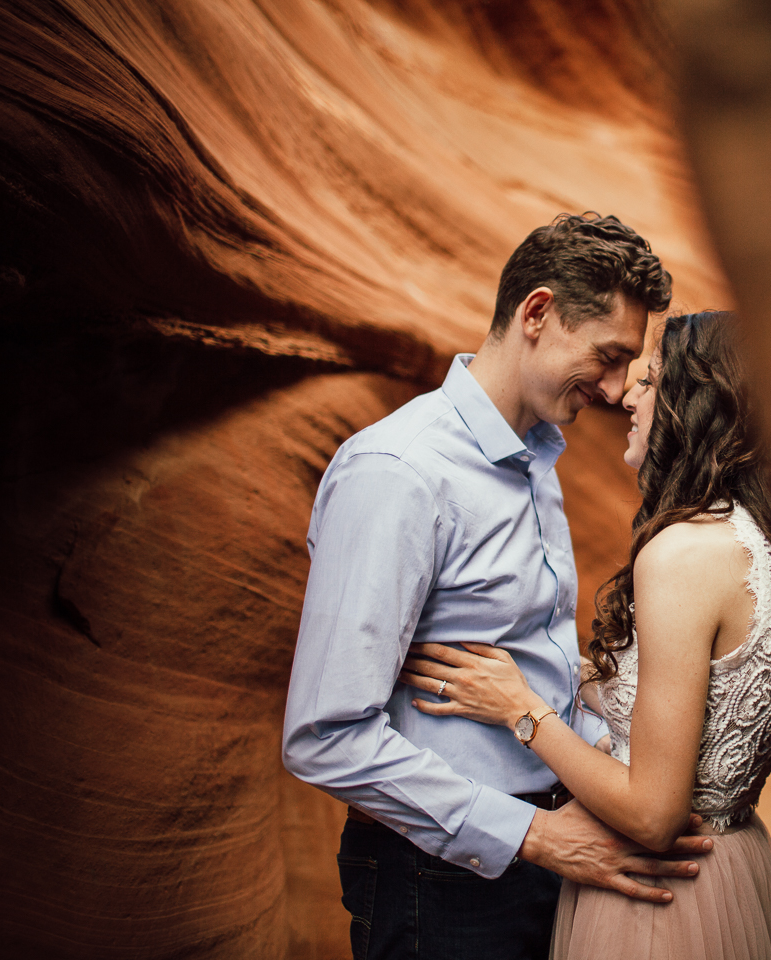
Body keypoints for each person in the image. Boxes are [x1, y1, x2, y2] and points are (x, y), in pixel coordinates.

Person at [282, 214, 715, 960]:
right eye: (608, 357)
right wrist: (537, 836)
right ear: (538, 314)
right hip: (441, 882)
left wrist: (618, 788)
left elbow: (529, 668)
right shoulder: (399, 472)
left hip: (553, 852)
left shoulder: (536, 459)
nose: (616, 390)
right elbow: (326, 737)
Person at [400, 310, 771, 959]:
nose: (626, 395)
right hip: (732, 870)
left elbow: (653, 816)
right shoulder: (751, 539)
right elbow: (687, 700)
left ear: (692, 405)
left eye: (647, 382)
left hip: (665, 899)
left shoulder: (681, 554)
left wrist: (523, 711)